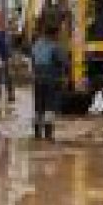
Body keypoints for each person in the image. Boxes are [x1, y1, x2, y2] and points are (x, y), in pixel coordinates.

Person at [30, 12, 68, 141]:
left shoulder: (36, 45)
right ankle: (48, 134)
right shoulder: (55, 46)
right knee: (50, 107)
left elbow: (33, 61)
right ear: (54, 34)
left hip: (37, 80)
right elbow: (63, 61)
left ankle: (37, 134)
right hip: (51, 80)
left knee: (38, 107)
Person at [0, 10, 14, 103]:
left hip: (4, 55)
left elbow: (6, 43)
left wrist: (8, 56)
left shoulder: (3, 30)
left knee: (7, 74)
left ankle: (10, 93)